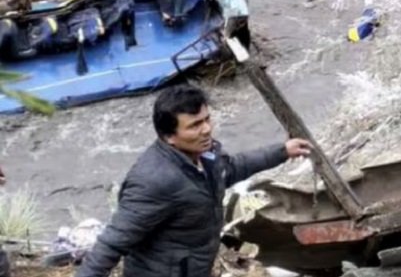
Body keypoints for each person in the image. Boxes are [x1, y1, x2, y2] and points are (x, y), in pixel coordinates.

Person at [76, 85, 313, 277]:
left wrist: (282, 151)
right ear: (169, 136)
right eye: (195, 125)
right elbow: (113, 242)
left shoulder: (204, 155)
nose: (207, 129)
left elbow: (230, 169)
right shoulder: (154, 181)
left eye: (207, 119)